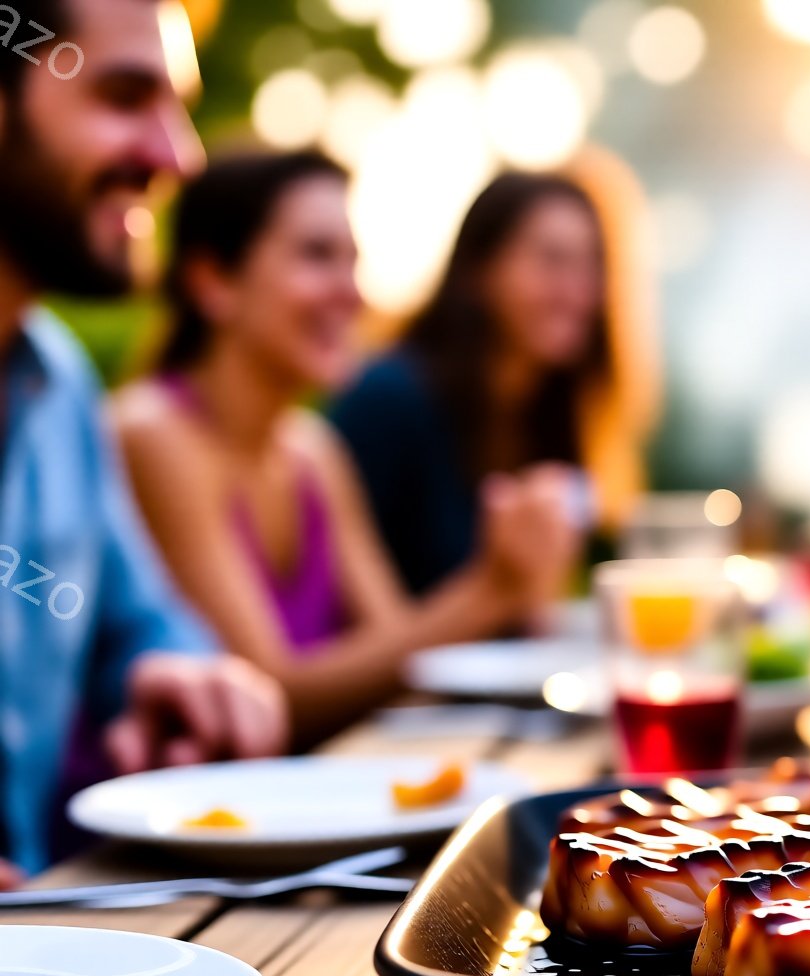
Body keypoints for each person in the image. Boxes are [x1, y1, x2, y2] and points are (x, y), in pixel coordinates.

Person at [112, 153, 579, 739]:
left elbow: (397, 660)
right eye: (316, 256)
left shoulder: (312, 452)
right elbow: (269, 690)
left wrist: (518, 590)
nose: (352, 294)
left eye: (353, 262)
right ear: (213, 281)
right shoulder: (154, 433)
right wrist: (490, 589)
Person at [0, 0, 287, 878]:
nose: (179, 155)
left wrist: (183, 680)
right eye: (128, 96)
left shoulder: (58, 387)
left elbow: (140, 624)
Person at [330, 170, 652, 596]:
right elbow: (345, 615)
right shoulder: (391, 398)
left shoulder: (547, 414)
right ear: (479, 269)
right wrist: (498, 590)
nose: (578, 291)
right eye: (552, 261)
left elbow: (529, 613)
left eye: (592, 265)